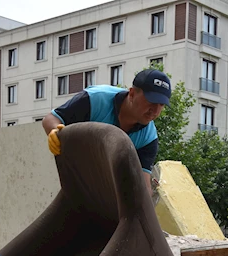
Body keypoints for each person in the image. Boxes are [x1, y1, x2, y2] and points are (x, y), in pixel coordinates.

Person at [42, 68, 172, 193]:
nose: (155, 111)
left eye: (161, 105)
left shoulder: (148, 137)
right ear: (132, 94)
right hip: (70, 175)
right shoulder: (95, 100)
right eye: (151, 102)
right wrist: (55, 132)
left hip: (106, 186)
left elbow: (143, 185)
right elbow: (50, 119)